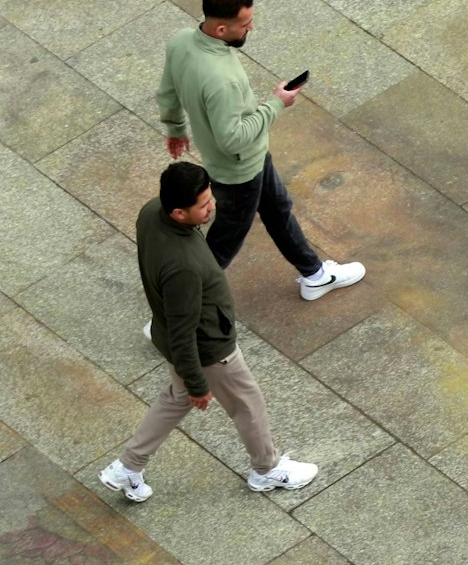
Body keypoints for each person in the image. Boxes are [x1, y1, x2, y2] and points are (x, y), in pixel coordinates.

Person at [99, 163, 317, 504]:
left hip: (170, 335)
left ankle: (128, 466)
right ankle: (267, 469)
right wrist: (200, 386)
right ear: (178, 212)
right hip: (211, 349)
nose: (211, 207)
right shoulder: (183, 267)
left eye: (209, 198)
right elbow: (185, 332)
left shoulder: (151, 213)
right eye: (203, 205)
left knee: (176, 397)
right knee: (247, 404)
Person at [159, 0, 364, 300]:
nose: (251, 27)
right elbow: (233, 139)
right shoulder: (222, 78)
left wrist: (174, 126)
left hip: (248, 161)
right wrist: (276, 104)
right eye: (245, 23)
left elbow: (167, 90)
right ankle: (176, 310)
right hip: (238, 171)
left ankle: (315, 274)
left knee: (278, 209)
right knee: (223, 244)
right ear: (222, 29)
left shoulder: (181, 42)